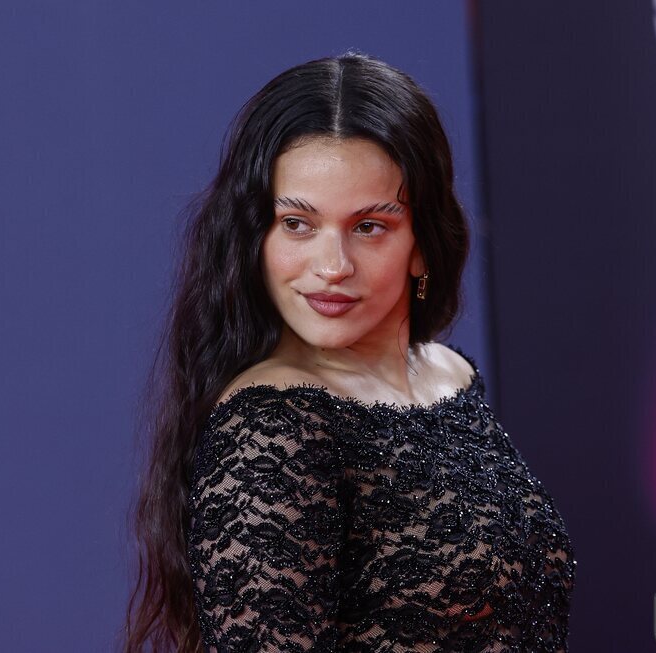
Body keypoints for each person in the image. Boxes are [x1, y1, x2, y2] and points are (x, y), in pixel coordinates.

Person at [123, 51, 576, 653]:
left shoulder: (451, 375)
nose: (332, 268)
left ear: (422, 243)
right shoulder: (273, 427)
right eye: (298, 225)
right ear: (256, 237)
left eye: (369, 226)